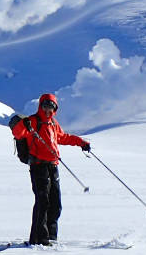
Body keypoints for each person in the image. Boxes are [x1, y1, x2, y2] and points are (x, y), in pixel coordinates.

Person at [9, 93, 90, 246]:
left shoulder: (53, 123)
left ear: (55, 109)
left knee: (55, 203)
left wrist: (81, 143)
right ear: (40, 106)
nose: (48, 110)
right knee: (42, 201)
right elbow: (18, 133)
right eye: (46, 106)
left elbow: (62, 137)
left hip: (53, 165)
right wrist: (22, 124)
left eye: (51, 107)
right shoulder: (32, 121)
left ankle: (51, 236)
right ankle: (39, 239)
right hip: (38, 166)